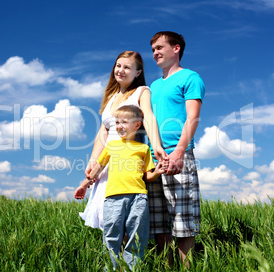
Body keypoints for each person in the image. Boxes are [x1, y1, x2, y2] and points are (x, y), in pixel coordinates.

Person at [74, 51, 166, 230]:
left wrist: (156, 145)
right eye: (118, 66)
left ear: (137, 72)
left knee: (125, 215)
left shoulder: (141, 91)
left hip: (127, 159)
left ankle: (128, 257)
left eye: (127, 67)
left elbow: (148, 116)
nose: (121, 70)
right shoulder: (110, 97)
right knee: (107, 215)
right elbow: (103, 132)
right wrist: (93, 160)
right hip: (108, 158)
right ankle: (115, 257)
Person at [147, 31, 205, 267]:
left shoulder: (190, 78)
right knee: (160, 225)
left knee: (183, 223)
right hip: (153, 157)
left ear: (177, 48)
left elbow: (193, 117)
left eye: (160, 47)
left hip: (177, 154)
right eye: (153, 50)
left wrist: (180, 151)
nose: (155, 53)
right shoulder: (152, 86)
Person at [87, 105, 167, 270]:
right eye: (117, 122)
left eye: (124, 122)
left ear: (137, 125)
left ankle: (133, 268)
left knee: (137, 236)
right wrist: (86, 182)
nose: (119, 126)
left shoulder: (143, 149)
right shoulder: (112, 146)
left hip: (138, 198)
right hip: (113, 198)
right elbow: (98, 168)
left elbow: (147, 177)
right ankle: (112, 268)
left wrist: (158, 172)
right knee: (111, 235)